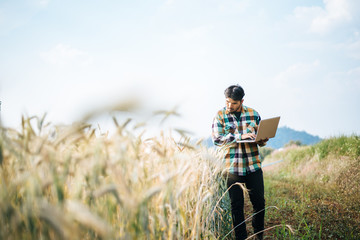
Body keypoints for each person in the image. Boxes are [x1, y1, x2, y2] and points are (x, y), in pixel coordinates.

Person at [212, 85, 268, 240]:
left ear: (242, 101)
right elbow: (217, 139)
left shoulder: (254, 114)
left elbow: (259, 140)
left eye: (234, 103)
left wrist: (262, 140)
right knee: (236, 206)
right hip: (231, 168)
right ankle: (241, 238)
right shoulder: (220, 115)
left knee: (259, 203)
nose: (230, 105)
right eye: (227, 102)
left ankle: (258, 235)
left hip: (253, 165)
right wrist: (240, 137)